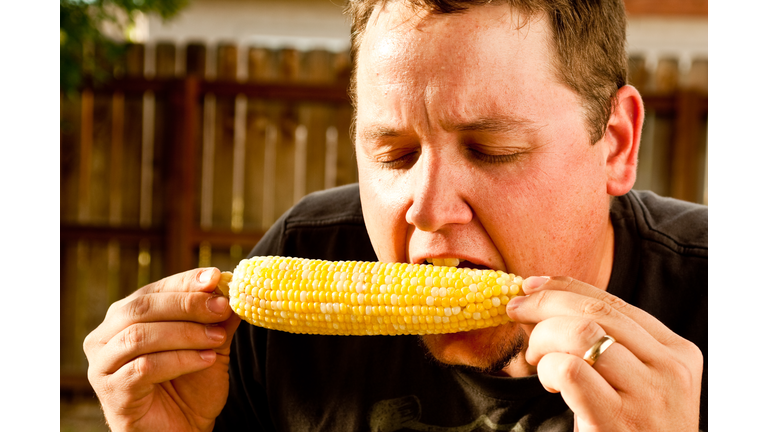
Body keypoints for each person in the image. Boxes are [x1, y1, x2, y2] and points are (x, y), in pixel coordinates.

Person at [83, 0, 707, 431]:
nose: (430, 210)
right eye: (394, 153)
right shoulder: (305, 253)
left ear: (617, 143)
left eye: (493, 151)